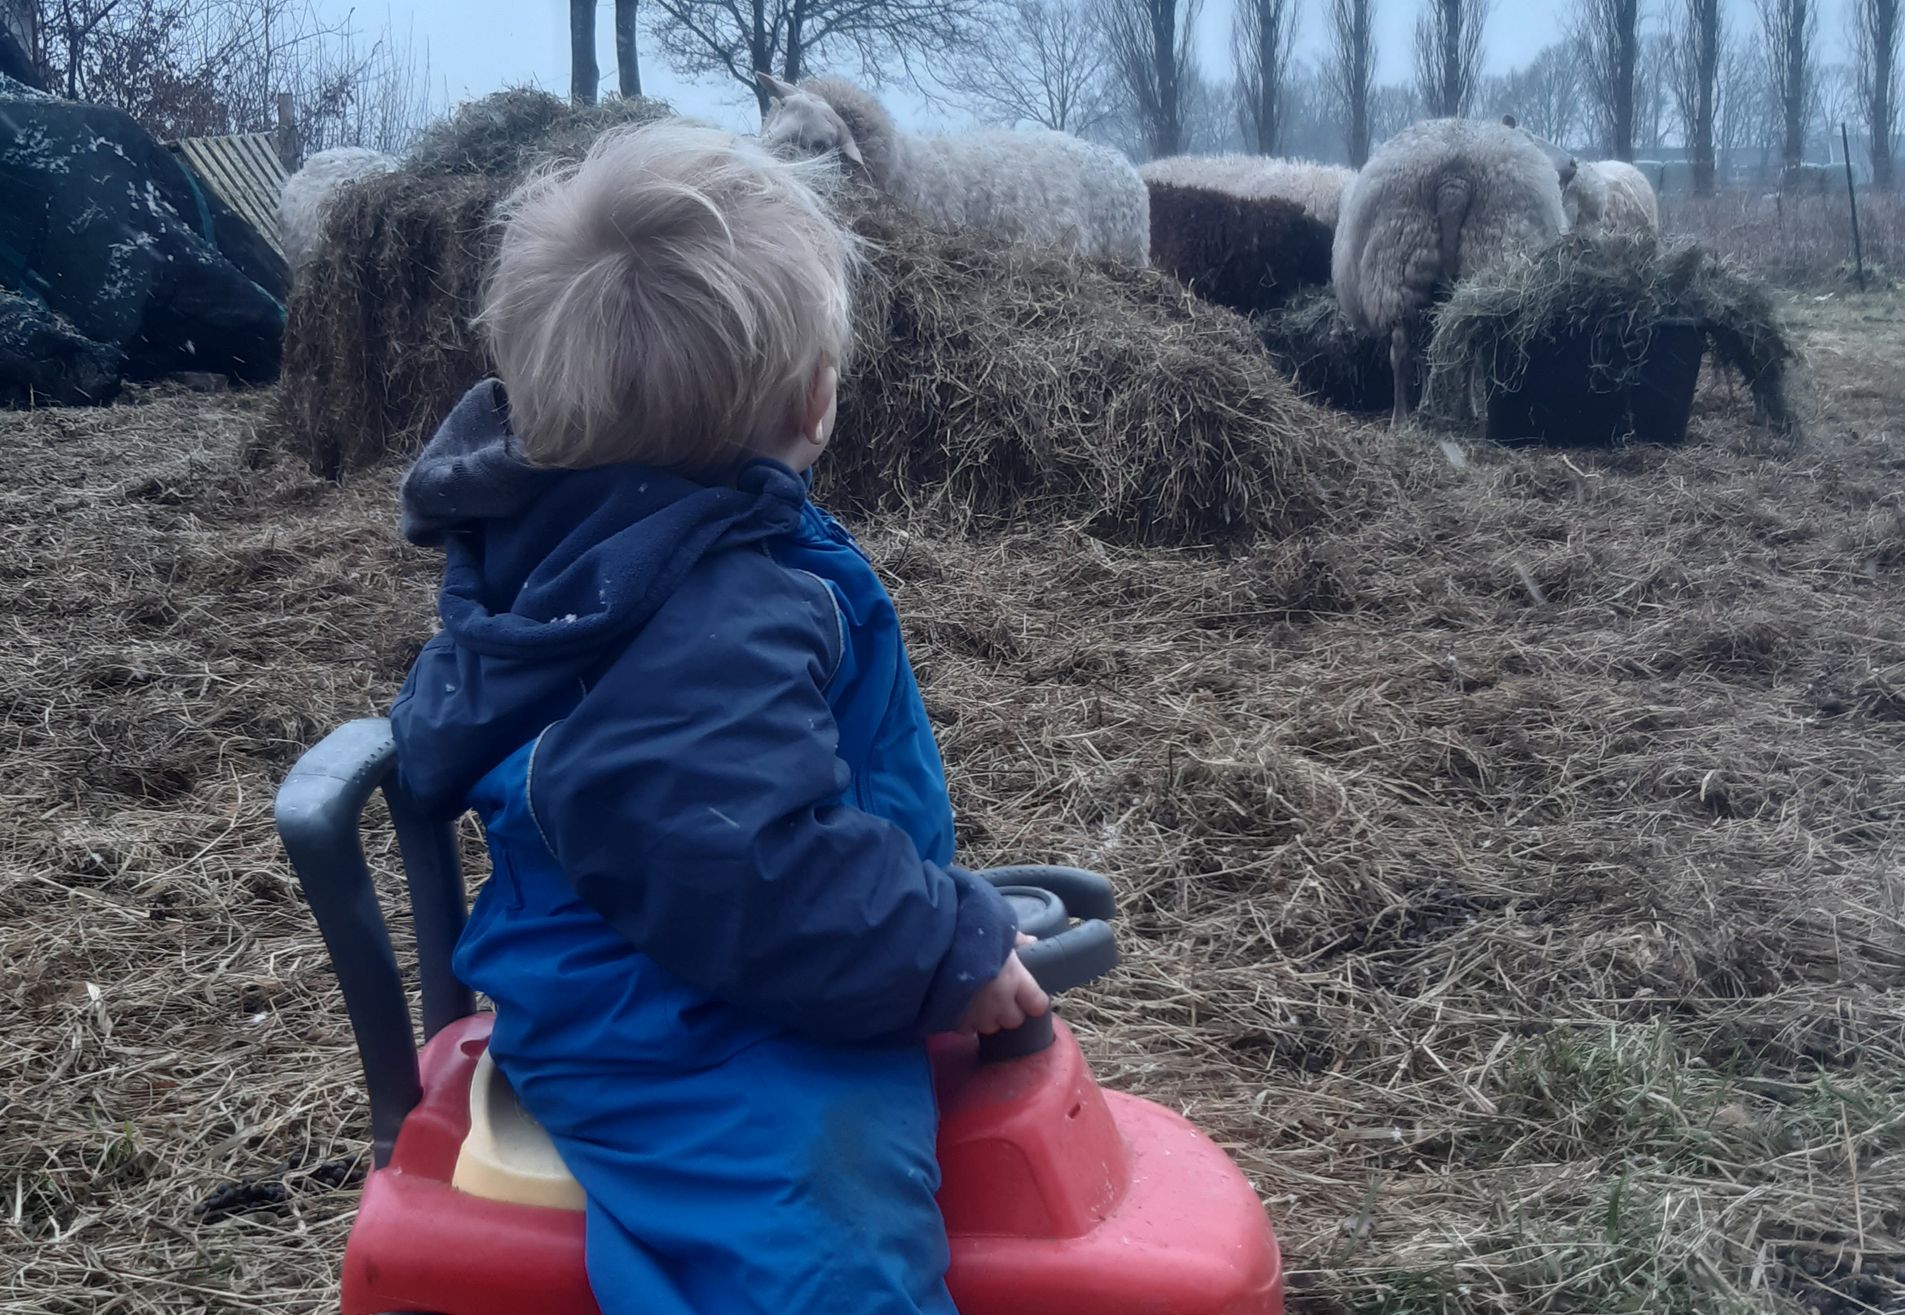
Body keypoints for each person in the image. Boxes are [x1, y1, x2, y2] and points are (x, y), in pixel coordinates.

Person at [386, 120, 1049, 1315]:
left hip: (682, 953)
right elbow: (746, 864)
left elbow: (742, 832)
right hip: (687, 1024)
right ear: (816, 396)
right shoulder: (716, 606)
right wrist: (940, 940)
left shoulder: (591, 550)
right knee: (834, 1263)